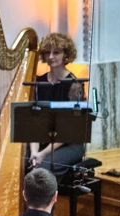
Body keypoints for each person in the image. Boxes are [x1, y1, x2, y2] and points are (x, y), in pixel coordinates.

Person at [30, 33, 87, 176]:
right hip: (42, 139)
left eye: (56, 52)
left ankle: (46, 197)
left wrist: (42, 153)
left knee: (43, 168)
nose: (50, 56)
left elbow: (69, 130)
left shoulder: (74, 85)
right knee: (23, 162)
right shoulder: (38, 82)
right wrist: (34, 152)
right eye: (47, 52)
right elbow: (34, 122)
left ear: (65, 55)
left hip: (68, 143)